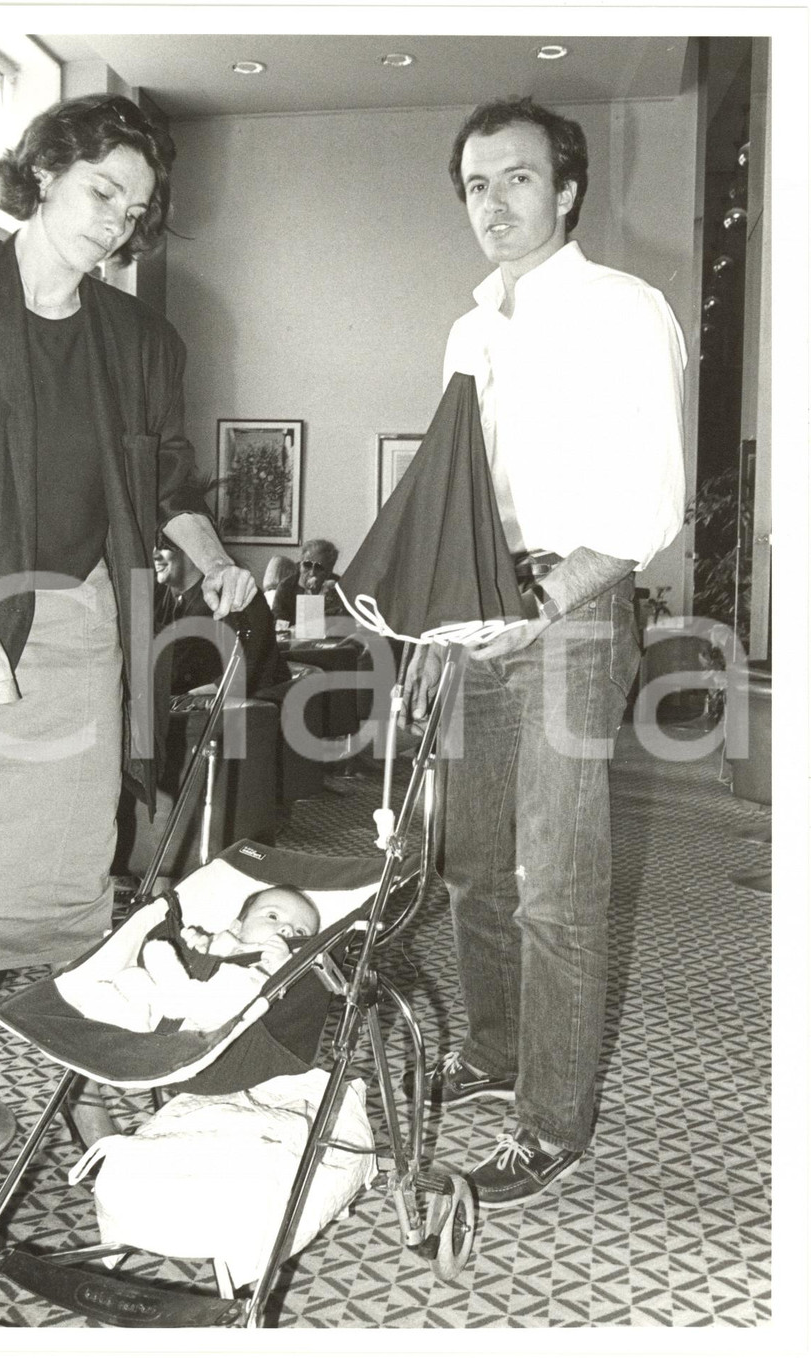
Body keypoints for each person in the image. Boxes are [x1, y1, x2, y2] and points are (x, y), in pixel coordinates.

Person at [0, 92, 256, 1278]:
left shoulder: (141, 342)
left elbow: (171, 485)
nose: (117, 221)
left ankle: (90, 1115)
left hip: (78, 646)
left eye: (135, 205)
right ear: (42, 177)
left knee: (78, 911)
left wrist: (216, 563)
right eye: (98, 192)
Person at [405, 97, 685, 1206]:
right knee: (471, 860)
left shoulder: (627, 308)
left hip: (569, 616)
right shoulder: (469, 328)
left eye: (515, 178)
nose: (493, 201)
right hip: (477, 613)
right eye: (475, 184)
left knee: (554, 885)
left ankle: (550, 1120)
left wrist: (552, 591)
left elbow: (651, 496)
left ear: (565, 190)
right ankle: (493, 1048)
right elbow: (462, 489)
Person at [77, 886, 320, 1033]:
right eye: (273, 916)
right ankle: (135, 1020)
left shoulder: (283, 962)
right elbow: (201, 959)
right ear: (238, 927)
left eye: (300, 932)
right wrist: (196, 944)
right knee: (133, 976)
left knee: (160, 953)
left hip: (217, 1019)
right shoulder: (227, 940)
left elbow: (292, 993)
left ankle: (175, 997)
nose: (287, 929)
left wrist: (283, 963)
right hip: (174, 1010)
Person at [153, 538, 288, 695]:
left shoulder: (235, 594)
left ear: (194, 549)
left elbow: (247, 674)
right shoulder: (160, 596)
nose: (154, 554)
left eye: (163, 546)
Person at [270, 538, 345, 624]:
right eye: (307, 565)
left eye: (319, 567)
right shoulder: (286, 587)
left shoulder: (339, 587)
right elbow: (279, 622)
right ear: (300, 564)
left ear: (329, 571)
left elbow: (346, 624)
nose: (312, 573)